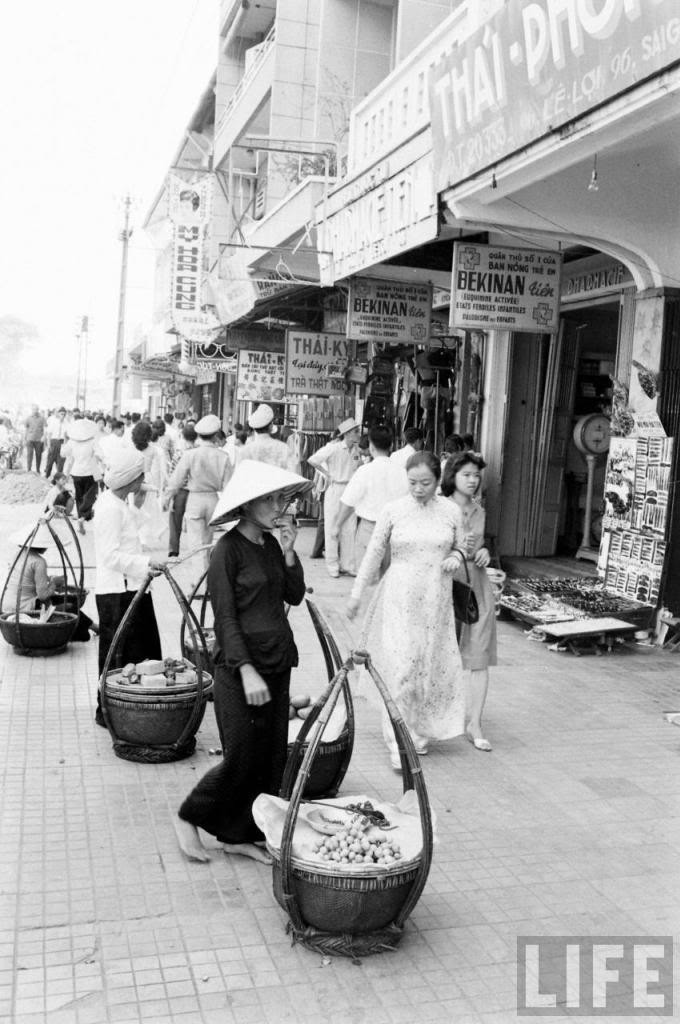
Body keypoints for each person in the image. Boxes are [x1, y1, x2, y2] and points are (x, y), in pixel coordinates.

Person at [175, 460, 312, 864]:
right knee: (240, 756)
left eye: (278, 498)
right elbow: (225, 618)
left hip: (277, 661)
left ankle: (240, 834)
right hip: (239, 669)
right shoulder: (226, 551)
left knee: (270, 756)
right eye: (268, 499)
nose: (277, 505)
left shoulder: (270, 545)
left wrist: (289, 553)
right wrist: (247, 669)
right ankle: (188, 816)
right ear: (247, 505)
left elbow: (294, 595)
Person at [346, 451, 465, 769]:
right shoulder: (393, 510)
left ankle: (417, 734)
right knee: (400, 668)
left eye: (425, 483)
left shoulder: (451, 511)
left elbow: (462, 544)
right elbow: (373, 553)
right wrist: (356, 594)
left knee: (424, 668)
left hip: (436, 599)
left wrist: (457, 556)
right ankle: (398, 741)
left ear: (438, 481)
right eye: (412, 482)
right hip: (399, 597)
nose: (418, 489)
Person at [93, 449, 166, 726]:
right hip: (117, 592)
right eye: (141, 476)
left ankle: (138, 706)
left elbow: (130, 534)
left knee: (141, 650)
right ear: (131, 479)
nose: (144, 479)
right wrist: (146, 562)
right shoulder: (109, 508)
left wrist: (138, 502)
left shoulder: (119, 502)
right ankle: (110, 710)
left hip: (132, 587)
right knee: (118, 653)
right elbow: (110, 556)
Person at [440, 451, 496, 752]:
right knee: (441, 654)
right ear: (453, 476)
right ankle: (436, 718)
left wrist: (483, 552)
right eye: (467, 475)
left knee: (479, 655)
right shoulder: (439, 508)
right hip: (446, 587)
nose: (473, 481)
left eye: (476, 475)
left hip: (476, 586)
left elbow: (479, 547)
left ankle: (474, 723)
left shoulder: (480, 510)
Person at [334, 424, 408, 579]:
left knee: (367, 581)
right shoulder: (403, 473)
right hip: (395, 532)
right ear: (392, 445)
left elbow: (348, 502)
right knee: (390, 581)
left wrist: (337, 526)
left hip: (369, 530)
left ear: (371, 446)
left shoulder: (364, 471)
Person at [163, 414, 232, 578]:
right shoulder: (223, 456)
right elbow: (228, 486)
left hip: (195, 499)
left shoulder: (190, 455)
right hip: (213, 500)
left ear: (198, 435)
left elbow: (176, 480)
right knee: (207, 543)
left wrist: (167, 498)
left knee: (195, 543)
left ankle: (199, 582)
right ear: (216, 435)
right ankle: (206, 579)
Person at [306, 417, 362, 578]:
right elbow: (313, 460)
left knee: (349, 528)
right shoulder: (333, 448)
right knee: (332, 526)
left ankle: (348, 564)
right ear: (349, 433)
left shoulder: (356, 451)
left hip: (350, 489)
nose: (359, 434)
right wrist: (327, 474)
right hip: (335, 488)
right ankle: (332, 564)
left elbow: (357, 467)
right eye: (356, 432)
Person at [3, 524, 58, 612]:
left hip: (6, 604)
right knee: (70, 607)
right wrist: (54, 583)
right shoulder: (39, 561)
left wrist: (48, 578)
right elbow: (43, 596)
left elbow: (27, 576)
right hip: (23, 607)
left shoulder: (18, 554)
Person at [62, 418, 100, 534]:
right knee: (90, 495)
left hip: (76, 472)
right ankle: (84, 517)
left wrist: (65, 440)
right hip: (90, 471)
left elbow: (63, 454)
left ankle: (81, 517)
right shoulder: (93, 441)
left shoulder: (72, 442)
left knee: (79, 496)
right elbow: (100, 454)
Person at [167, 423, 197, 558]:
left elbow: (172, 473)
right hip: (195, 492)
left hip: (180, 492)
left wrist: (168, 494)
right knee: (194, 523)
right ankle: (195, 550)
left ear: (183, 436)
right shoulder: (198, 453)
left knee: (175, 519)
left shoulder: (179, 453)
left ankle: (174, 549)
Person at [241, 404, 295, 470]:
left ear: (254, 428)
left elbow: (240, 476)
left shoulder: (245, 451)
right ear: (271, 426)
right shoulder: (283, 449)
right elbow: (293, 473)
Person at [44, 407, 68, 478]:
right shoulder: (53, 422)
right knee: (49, 463)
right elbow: (49, 434)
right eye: (61, 414)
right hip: (53, 442)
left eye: (64, 414)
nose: (63, 416)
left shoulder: (66, 423)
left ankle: (57, 481)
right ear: (58, 414)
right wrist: (48, 446)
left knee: (60, 464)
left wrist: (65, 446)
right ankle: (46, 477)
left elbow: (66, 436)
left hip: (61, 443)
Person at [23, 405, 46, 473]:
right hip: (30, 439)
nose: (35, 411)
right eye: (33, 410)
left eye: (36, 409)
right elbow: (26, 429)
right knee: (29, 455)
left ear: (38, 410)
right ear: (32, 410)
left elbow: (45, 429)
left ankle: (38, 470)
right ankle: (29, 469)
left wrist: (44, 439)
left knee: (38, 455)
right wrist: (25, 439)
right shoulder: (28, 418)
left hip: (39, 440)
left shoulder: (42, 418)